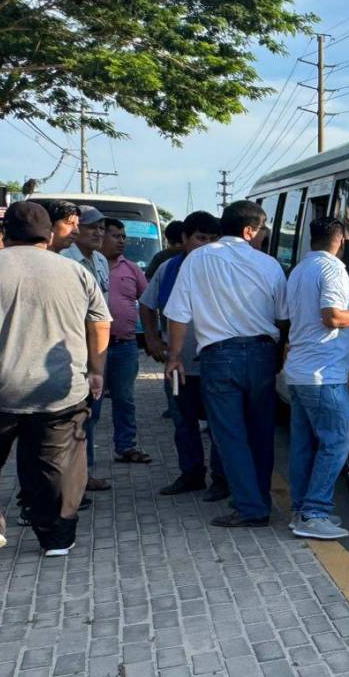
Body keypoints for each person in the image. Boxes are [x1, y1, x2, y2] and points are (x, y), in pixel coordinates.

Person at [0, 201, 109, 558]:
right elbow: (100, 323)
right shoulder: (75, 271)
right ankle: (57, 536)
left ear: (5, 234)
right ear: (48, 233)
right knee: (56, 461)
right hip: (58, 388)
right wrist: (96, 370)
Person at [164, 201, 288, 527]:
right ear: (249, 231)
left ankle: (250, 507)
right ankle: (259, 500)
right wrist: (279, 355)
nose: (264, 236)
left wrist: (174, 356)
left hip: (218, 357)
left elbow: (178, 314)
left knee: (230, 434)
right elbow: (283, 316)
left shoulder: (197, 260)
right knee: (261, 432)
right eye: (262, 230)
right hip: (262, 354)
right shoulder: (270, 265)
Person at [284, 217, 349, 540]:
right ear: (341, 240)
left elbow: (314, 311)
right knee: (336, 443)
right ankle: (314, 513)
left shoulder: (301, 269)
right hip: (323, 375)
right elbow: (333, 318)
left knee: (304, 445)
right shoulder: (333, 269)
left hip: (299, 373)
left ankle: (300, 511)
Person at [141, 211, 227, 498]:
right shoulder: (169, 269)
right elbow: (147, 304)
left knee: (218, 426)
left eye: (214, 239)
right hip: (179, 365)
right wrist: (152, 338)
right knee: (184, 423)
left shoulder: (224, 269)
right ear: (184, 239)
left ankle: (221, 479)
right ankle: (191, 475)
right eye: (201, 238)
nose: (207, 245)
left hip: (215, 364)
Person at [61, 206, 111, 490]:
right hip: (74, 347)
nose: (98, 233)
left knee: (92, 415)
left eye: (101, 228)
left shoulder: (101, 260)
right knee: (72, 417)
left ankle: (84, 472)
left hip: (98, 345)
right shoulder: (65, 260)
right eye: (93, 227)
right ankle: (71, 479)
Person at [101, 218, 151, 464]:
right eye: (115, 236)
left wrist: (153, 337)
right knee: (92, 404)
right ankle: (82, 460)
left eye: (123, 236)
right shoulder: (86, 267)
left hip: (124, 346)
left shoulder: (131, 269)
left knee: (125, 399)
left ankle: (126, 447)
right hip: (92, 349)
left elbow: (149, 301)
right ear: (100, 236)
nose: (121, 241)